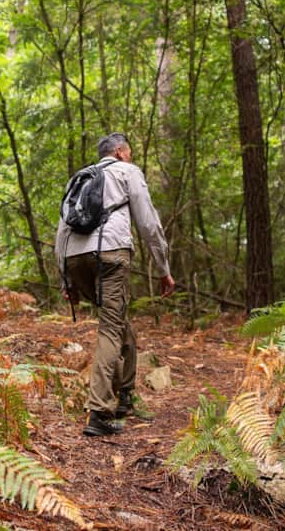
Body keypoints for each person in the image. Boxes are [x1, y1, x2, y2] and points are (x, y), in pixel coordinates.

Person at [56, 133, 175, 437]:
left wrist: (65, 277)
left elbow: (62, 227)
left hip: (74, 258)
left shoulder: (81, 178)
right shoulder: (127, 172)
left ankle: (125, 395)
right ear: (120, 153)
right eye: (130, 152)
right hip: (109, 255)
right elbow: (149, 223)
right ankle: (99, 411)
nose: (131, 157)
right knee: (110, 328)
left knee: (120, 325)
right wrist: (163, 269)